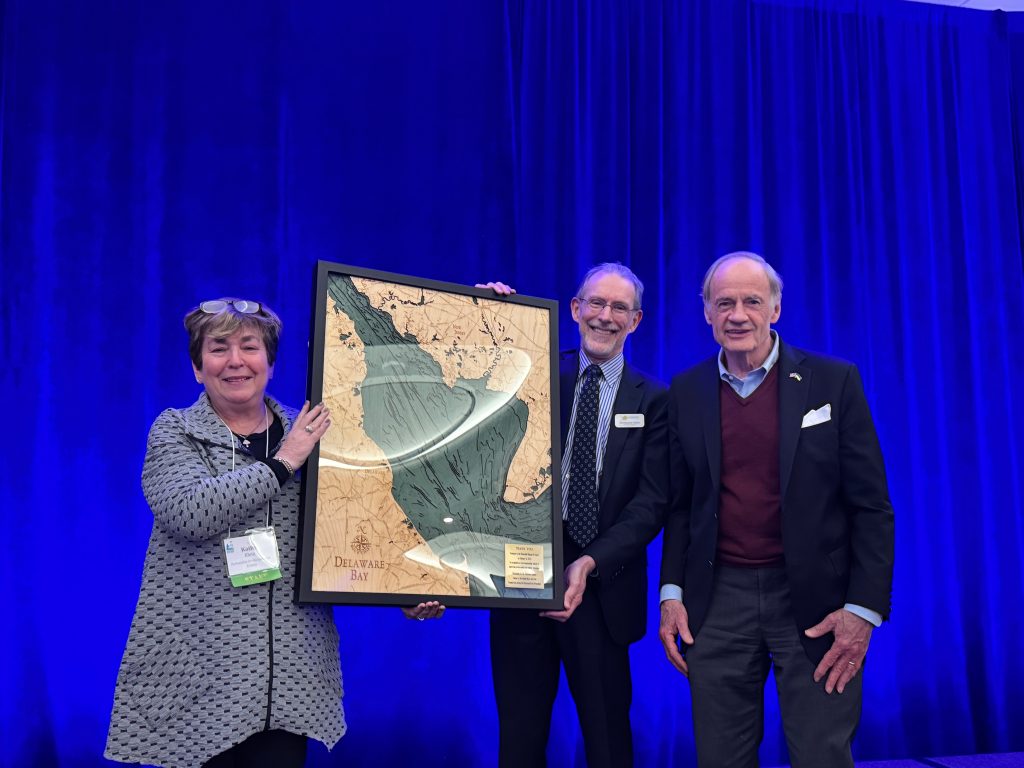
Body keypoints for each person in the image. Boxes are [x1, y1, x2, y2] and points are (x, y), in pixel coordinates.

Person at [105, 298, 442, 768]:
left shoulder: (315, 433)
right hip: (198, 680)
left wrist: (399, 589)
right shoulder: (175, 431)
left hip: (289, 680)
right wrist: (284, 462)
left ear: (270, 362)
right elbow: (189, 512)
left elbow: (349, 533)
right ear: (198, 368)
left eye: (250, 346)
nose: (236, 360)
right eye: (219, 348)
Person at [658, 253, 895, 767]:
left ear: (776, 309)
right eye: (724, 303)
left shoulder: (834, 382)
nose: (738, 314)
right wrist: (671, 593)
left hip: (816, 605)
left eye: (751, 301)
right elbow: (681, 506)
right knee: (720, 758)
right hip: (716, 604)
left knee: (821, 756)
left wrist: (863, 611)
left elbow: (872, 506)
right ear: (706, 313)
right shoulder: (686, 391)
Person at [481, 264, 669, 768]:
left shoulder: (654, 399)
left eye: (620, 308)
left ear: (636, 320)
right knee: (519, 741)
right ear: (575, 309)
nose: (606, 317)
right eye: (596, 304)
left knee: (608, 743)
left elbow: (651, 504)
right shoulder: (534, 371)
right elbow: (477, 375)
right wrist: (482, 315)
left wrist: (588, 564)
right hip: (523, 583)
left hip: (603, 589)